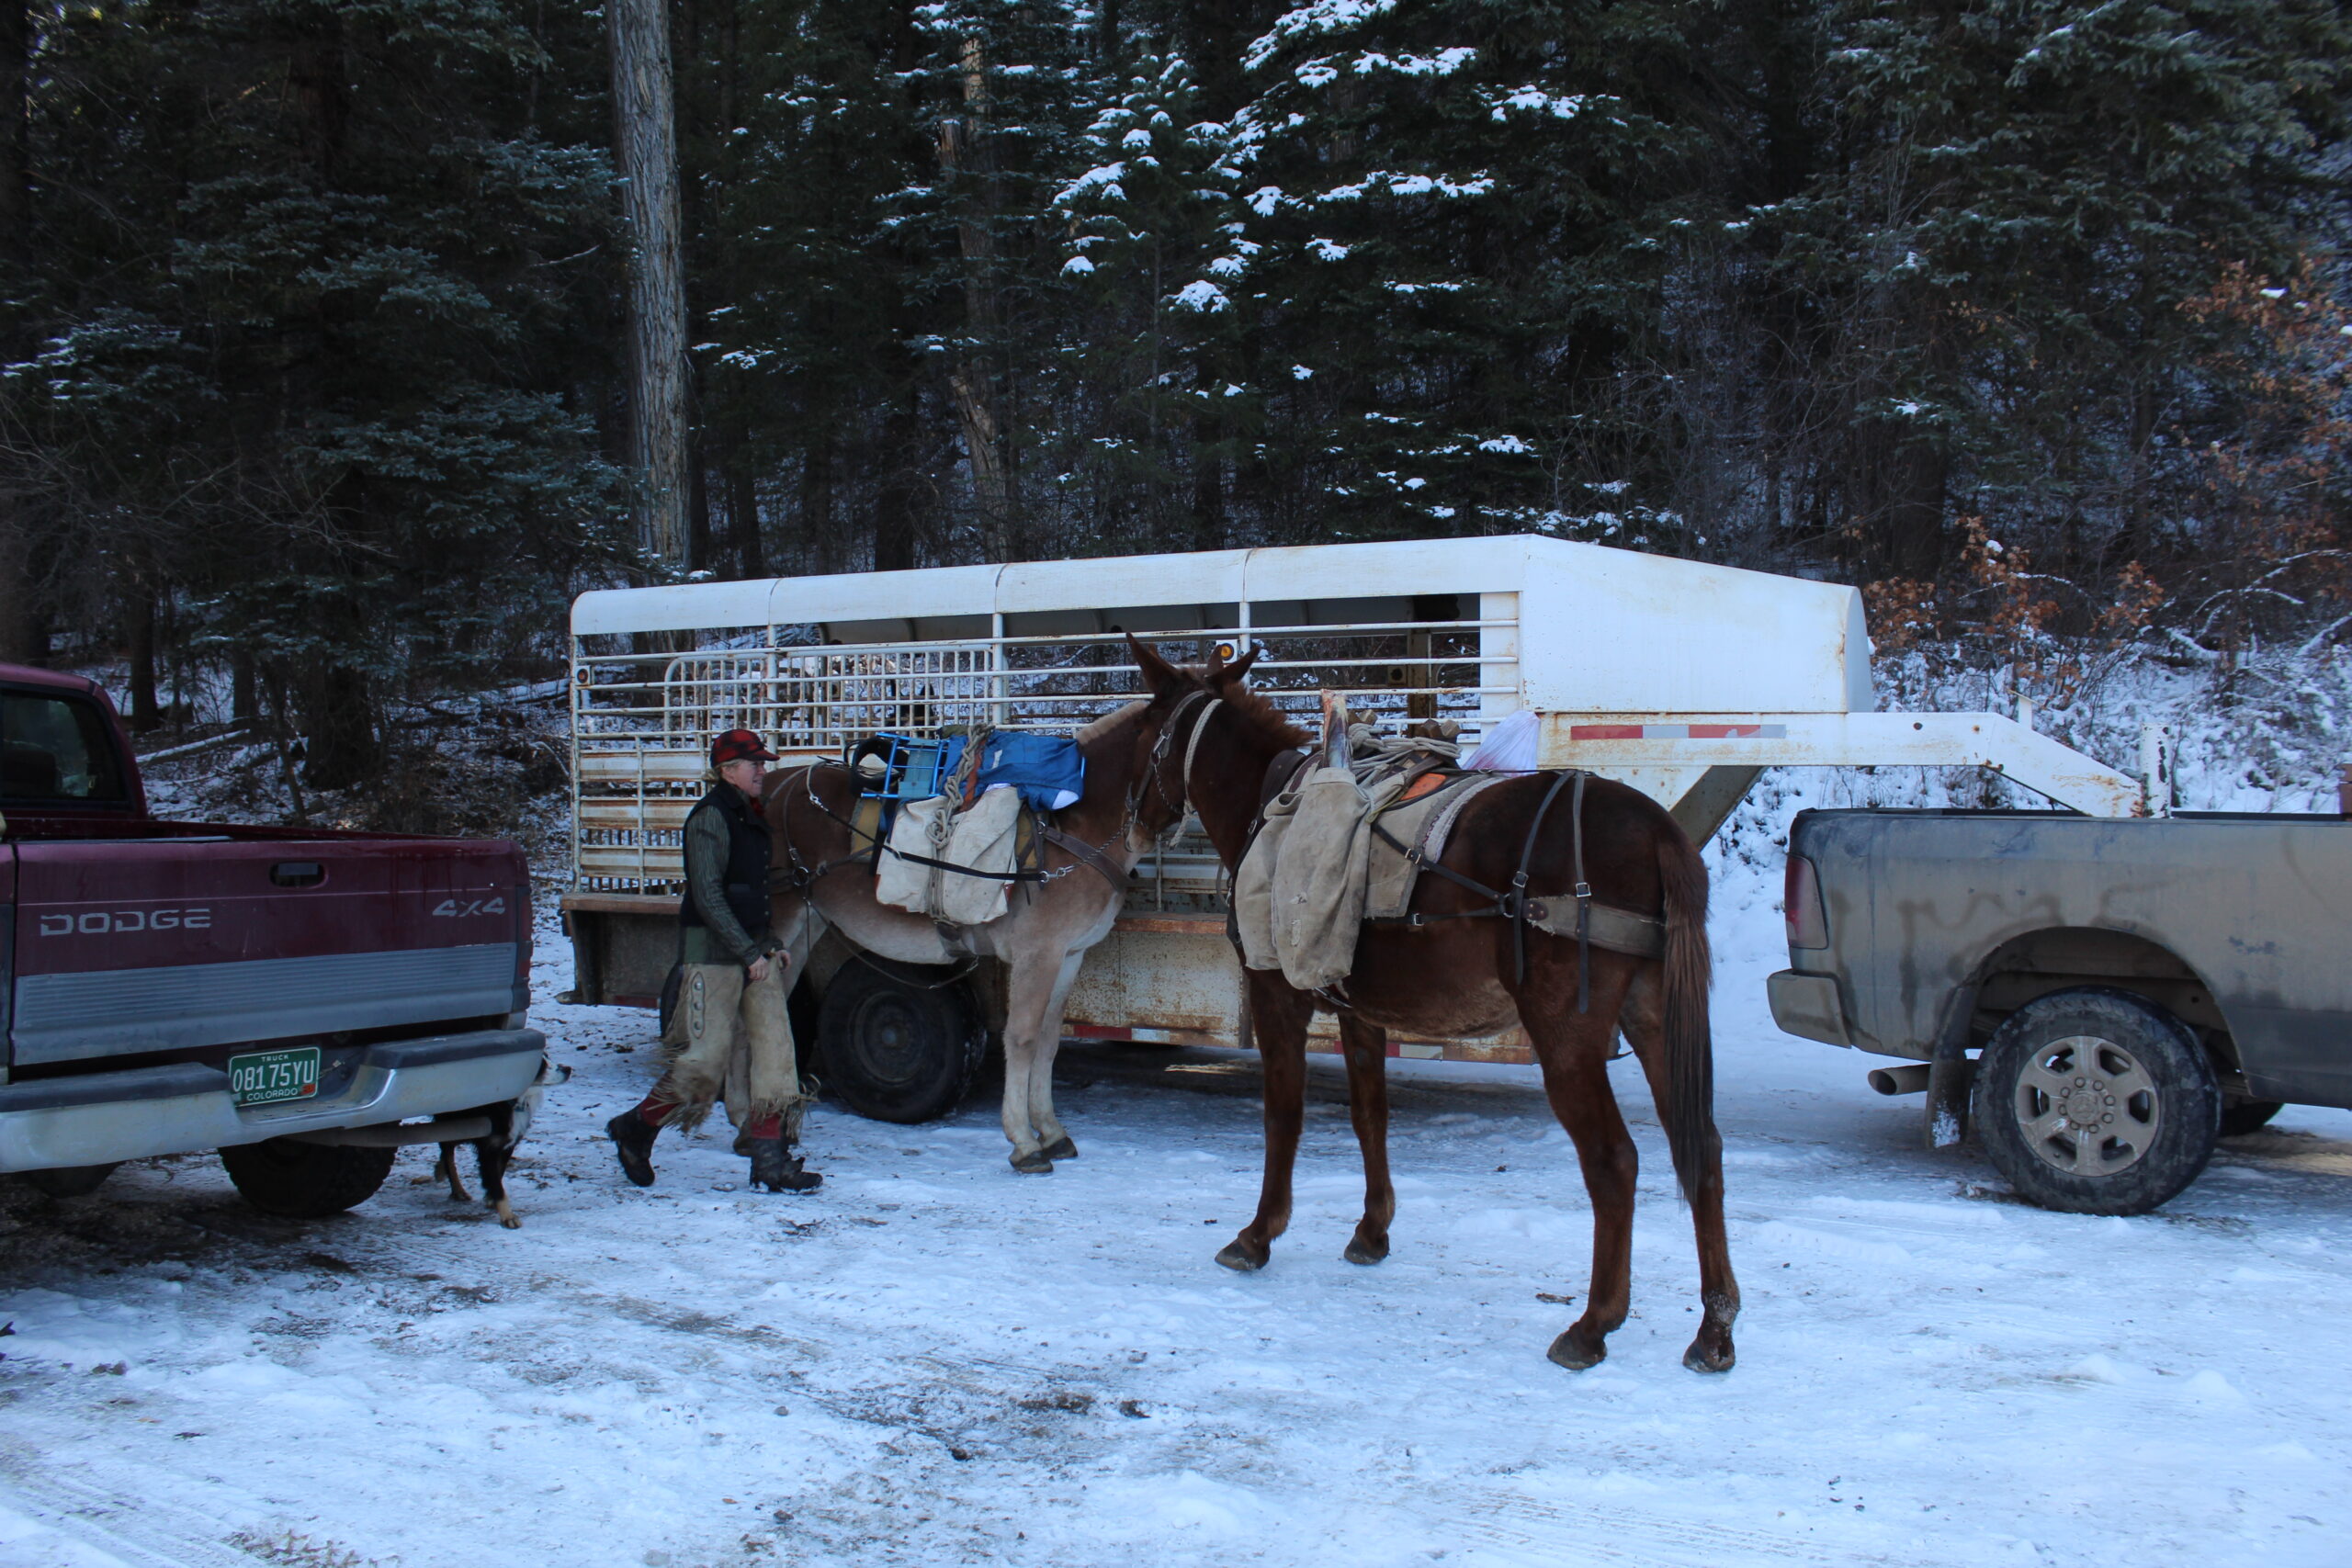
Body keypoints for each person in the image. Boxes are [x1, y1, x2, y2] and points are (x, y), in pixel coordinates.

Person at [605, 728, 820, 1192]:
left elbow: (752, 894)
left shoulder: (750, 816)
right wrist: (748, 952)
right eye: (755, 764)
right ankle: (635, 1128)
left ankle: (770, 1163)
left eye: (763, 763)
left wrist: (768, 942)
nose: (764, 770)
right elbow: (707, 895)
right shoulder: (709, 819)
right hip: (714, 958)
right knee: (704, 1066)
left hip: (753, 955)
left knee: (777, 1058)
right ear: (727, 771)